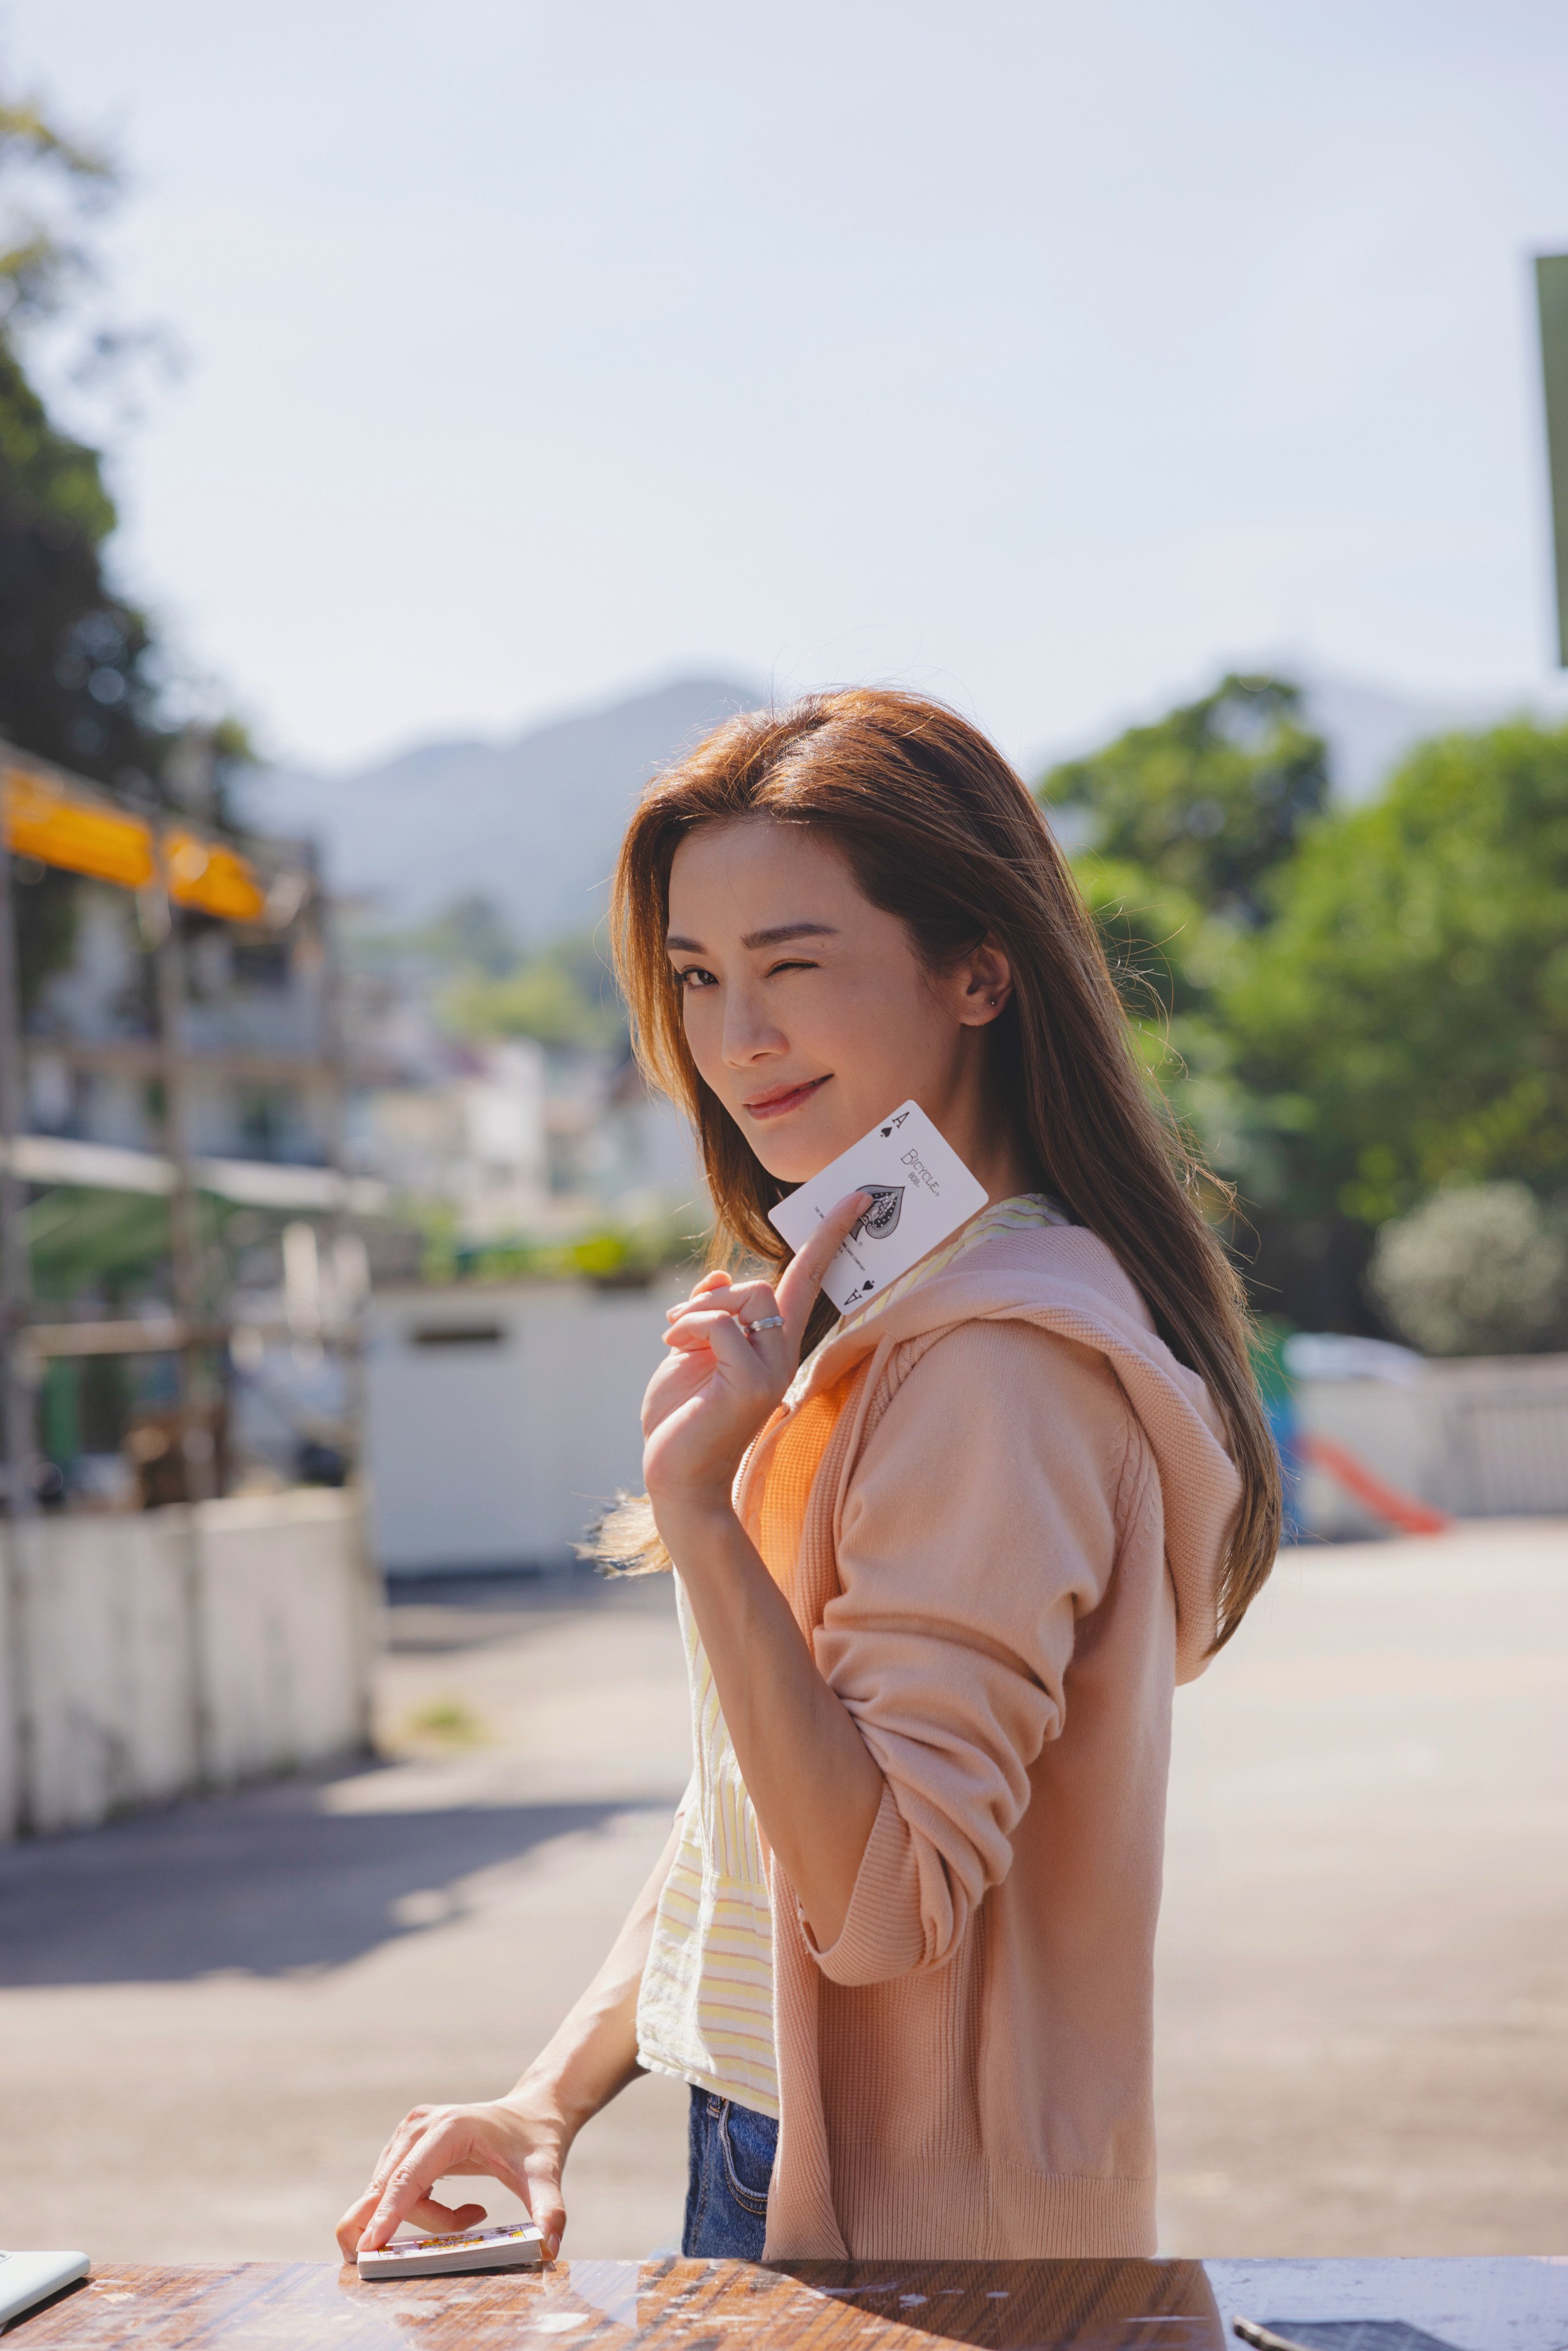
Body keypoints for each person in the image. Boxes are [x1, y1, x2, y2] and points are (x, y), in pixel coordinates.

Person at [337, 689, 1279, 2267]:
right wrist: (547, 2099)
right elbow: (763, 1822)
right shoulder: (889, 1319)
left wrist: (702, 1518)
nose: (736, 1040)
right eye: (698, 979)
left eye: (791, 966)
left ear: (978, 968)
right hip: (766, 2143)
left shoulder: (996, 1363)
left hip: (897, 2229)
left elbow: (884, 1902)